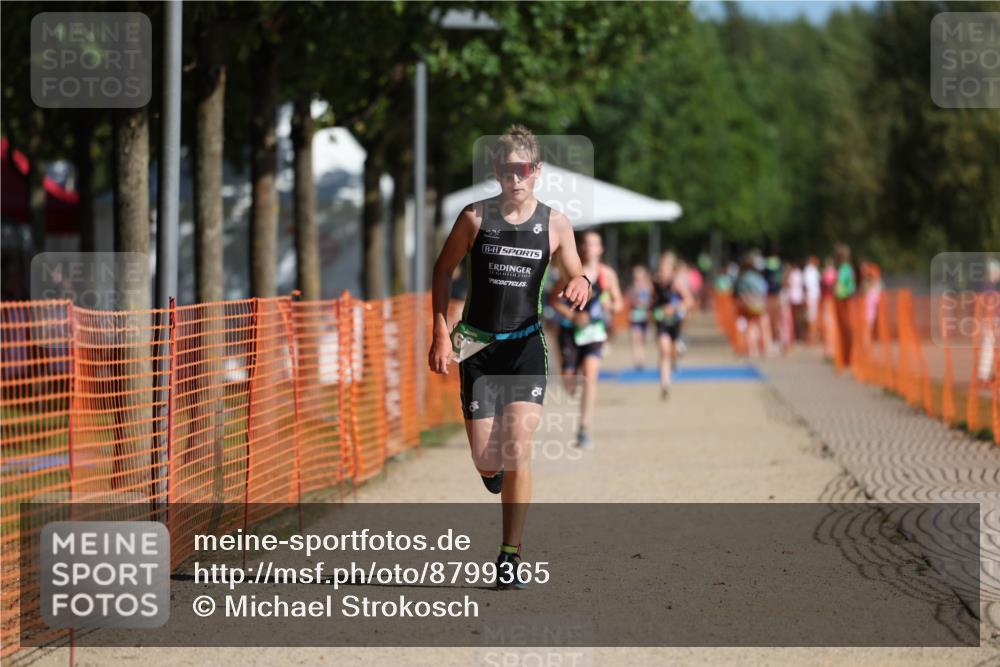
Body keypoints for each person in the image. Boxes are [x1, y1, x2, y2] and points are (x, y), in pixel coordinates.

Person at [429, 125, 589, 589]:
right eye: (506, 169)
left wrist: (582, 283)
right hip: (476, 344)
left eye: (523, 169)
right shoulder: (474, 218)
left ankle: (509, 555)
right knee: (487, 459)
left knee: (519, 444)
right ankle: (492, 473)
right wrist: (440, 333)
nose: (515, 177)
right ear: (496, 172)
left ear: (535, 172)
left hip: (525, 344)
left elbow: (576, 271)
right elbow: (443, 270)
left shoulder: (556, 223)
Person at [550, 230, 623, 449]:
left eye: (595, 244)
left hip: (594, 331)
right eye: (587, 244)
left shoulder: (607, 275)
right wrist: (573, 316)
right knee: (569, 381)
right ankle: (570, 379)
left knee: (591, 375)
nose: (590, 248)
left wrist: (609, 305)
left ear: (601, 249)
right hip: (569, 331)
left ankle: (583, 428)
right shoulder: (571, 272)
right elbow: (554, 301)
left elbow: (619, 303)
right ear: (581, 248)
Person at [650, 252, 694, 400]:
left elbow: (689, 301)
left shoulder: (676, 284)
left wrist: (674, 308)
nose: (662, 271)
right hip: (661, 322)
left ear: (671, 270)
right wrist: (653, 311)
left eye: (666, 268)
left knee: (672, 351)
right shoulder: (655, 282)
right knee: (664, 350)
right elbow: (651, 302)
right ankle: (665, 385)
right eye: (661, 268)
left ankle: (677, 355)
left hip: (675, 322)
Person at [735, 253, 770, 359]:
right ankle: (764, 348)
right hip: (759, 303)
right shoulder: (757, 277)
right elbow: (763, 290)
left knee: (750, 326)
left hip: (747, 304)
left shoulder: (742, 277)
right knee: (762, 325)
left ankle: (751, 349)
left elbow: (739, 292)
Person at [833, 243, 857, 365]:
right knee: (848, 329)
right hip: (849, 299)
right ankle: (848, 357)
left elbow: (839, 286)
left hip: (843, 301)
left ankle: (847, 357)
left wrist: (835, 291)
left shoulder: (843, 269)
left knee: (845, 330)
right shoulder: (849, 268)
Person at [627, 265, 654, 370]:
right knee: (635, 339)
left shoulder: (649, 287)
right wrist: (636, 303)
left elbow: (652, 300)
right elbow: (630, 301)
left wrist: (647, 306)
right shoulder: (632, 288)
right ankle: (637, 361)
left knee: (642, 339)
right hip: (634, 317)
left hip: (644, 317)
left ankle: (642, 359)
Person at [803, 256, 821, 344]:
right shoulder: (808, 270)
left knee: (813, 317)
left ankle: (813, 336)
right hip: (810, 297)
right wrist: (806, 298)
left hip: (814, 296)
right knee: (810, 317)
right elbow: (806, 286)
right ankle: (811, 337)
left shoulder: (814, 270)